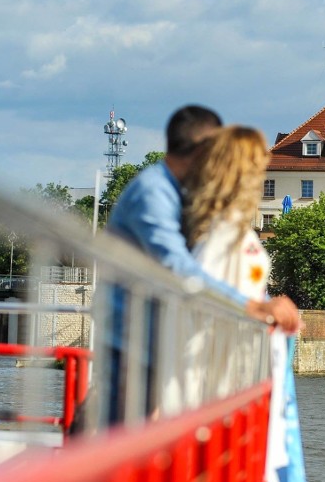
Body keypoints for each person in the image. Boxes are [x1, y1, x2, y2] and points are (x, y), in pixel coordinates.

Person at [180, 125, 307, 482]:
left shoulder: (229, 227)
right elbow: (202, 292)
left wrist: (266, 305)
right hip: (222, 379)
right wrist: (263, 310)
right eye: (259, 168)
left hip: (238, 373)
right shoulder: (219, 234)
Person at [107, 105, 301, 331]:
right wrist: (252, 307)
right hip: (133, 339)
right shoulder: (153, 192)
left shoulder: (176, 191)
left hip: (153, 331)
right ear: (204, 150)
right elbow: (175, 265)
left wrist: (263, 305)